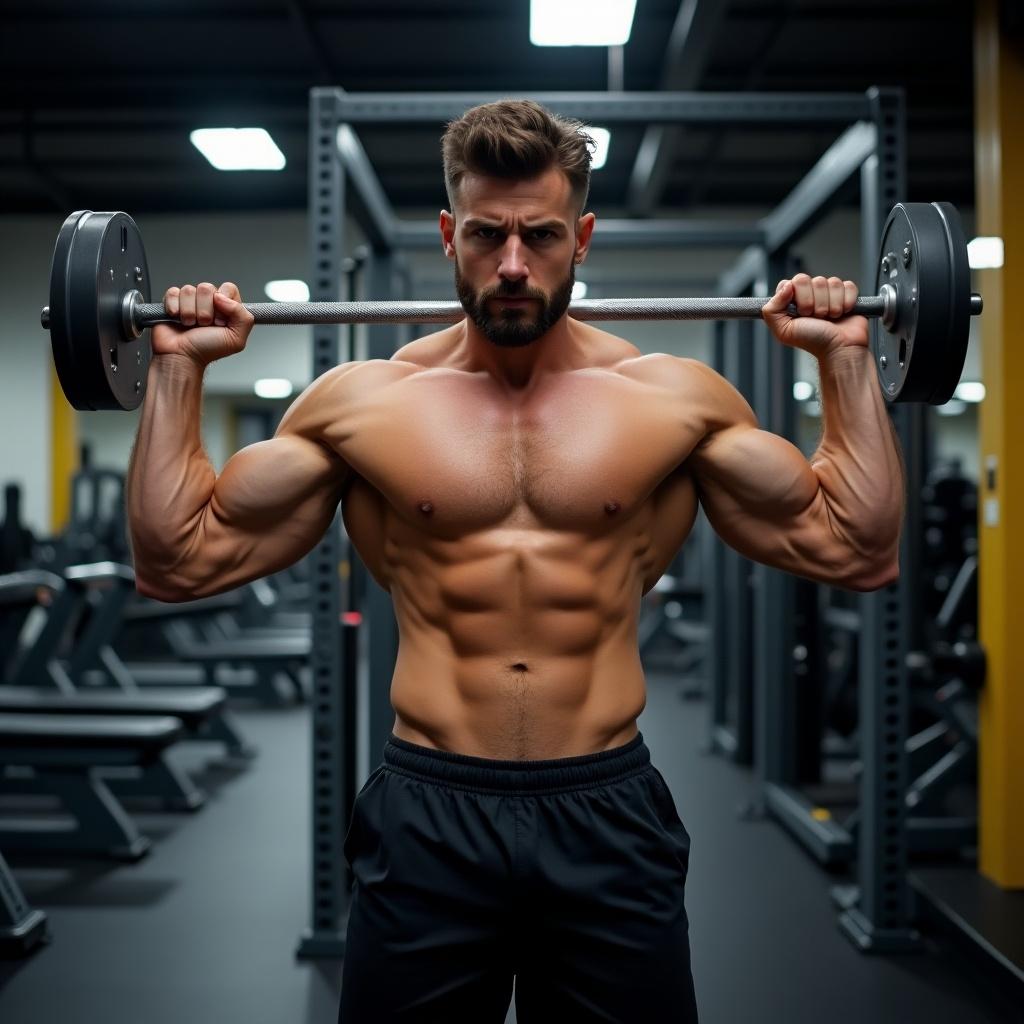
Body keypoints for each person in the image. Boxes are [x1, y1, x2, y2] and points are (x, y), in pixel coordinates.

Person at [126, 100, 904, 1022]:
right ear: (450, 233)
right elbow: (175, 558)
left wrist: (846, 359)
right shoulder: (363, 406)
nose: (511, 264)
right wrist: (177, 368)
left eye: (538, 235)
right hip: (429, 812)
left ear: (581, 237)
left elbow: (859, 545)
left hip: (607, 810)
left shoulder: (670, 401)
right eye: (487, 235)